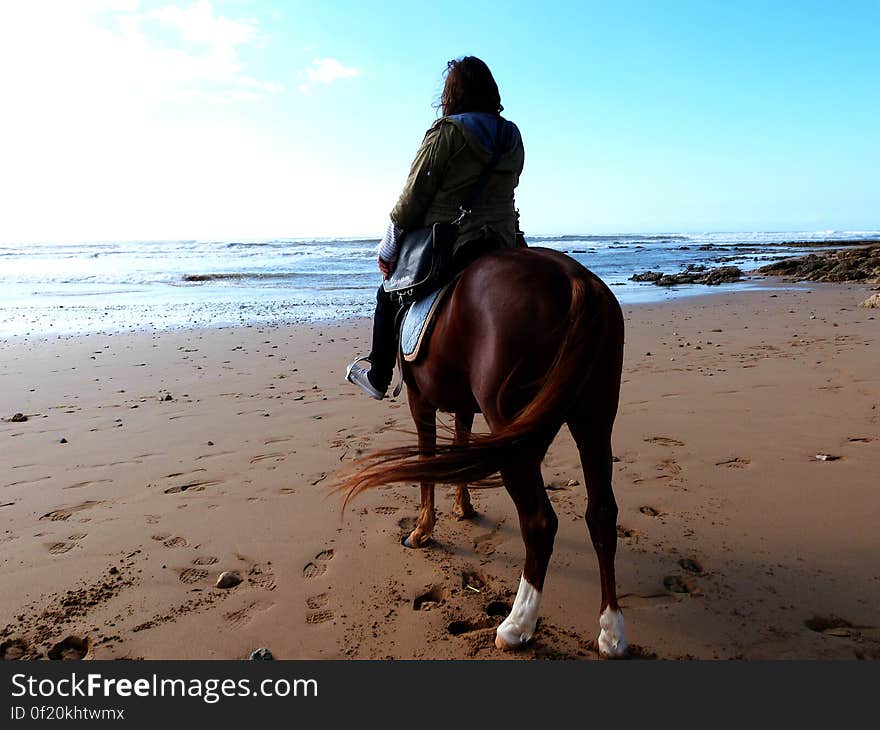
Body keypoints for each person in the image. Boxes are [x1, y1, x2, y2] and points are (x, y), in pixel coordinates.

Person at [346, 56, 525, 399]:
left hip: (457, 243)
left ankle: (379, 376)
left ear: (451, 93)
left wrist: (388, 247)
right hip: (505, 242)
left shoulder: (448, 132)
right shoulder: (511, 135)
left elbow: (413, 196)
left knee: (387, 296)